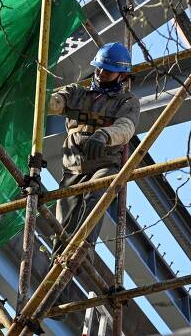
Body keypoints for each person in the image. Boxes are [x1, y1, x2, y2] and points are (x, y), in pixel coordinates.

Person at [47, 42, 140, 265]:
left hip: (104, 164)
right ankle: (56, 267)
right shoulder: (77, 93)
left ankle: (81, 253)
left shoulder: (127, 101)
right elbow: (54, 103)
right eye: (99, 68)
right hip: (74, 165)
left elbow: (125, 128)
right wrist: (39, 94)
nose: (100, 73)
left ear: (121, 76)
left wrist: (104, 135)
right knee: (64, 224)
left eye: (107, 71)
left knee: (95, 198)